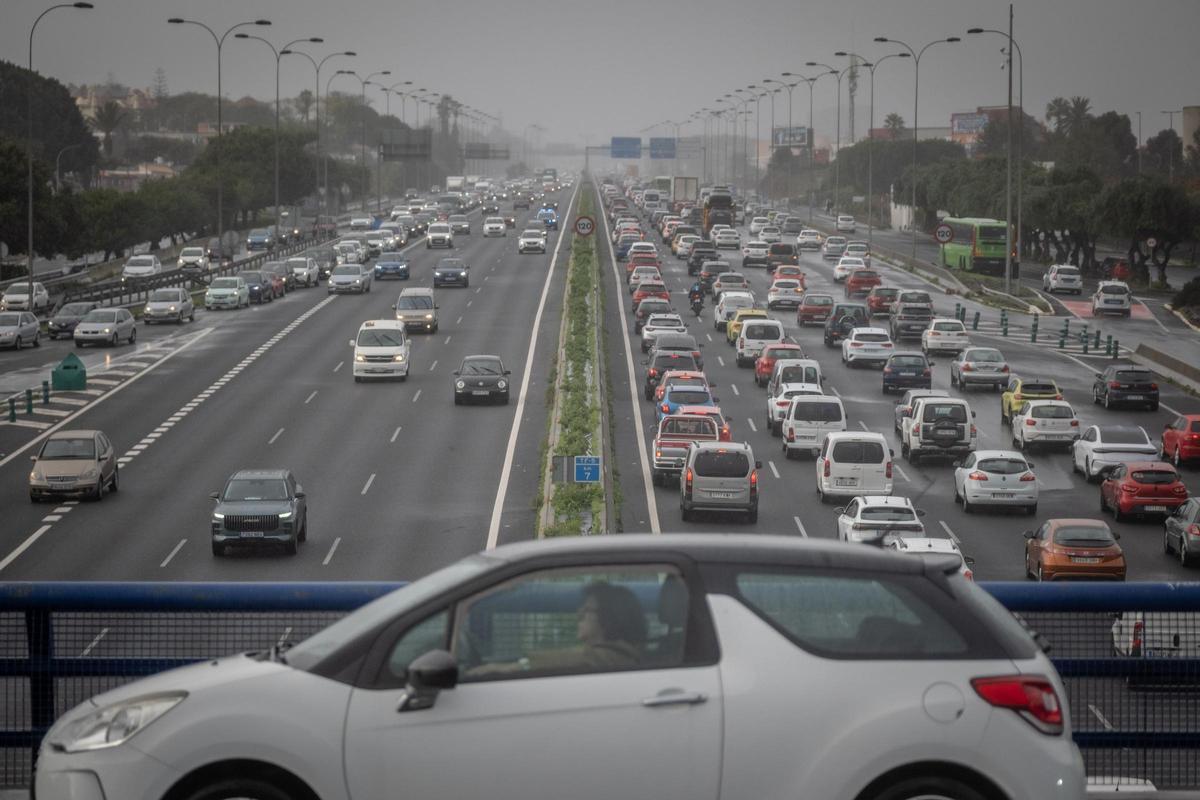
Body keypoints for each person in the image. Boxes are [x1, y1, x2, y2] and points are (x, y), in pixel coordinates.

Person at [466, 581, 647, 676]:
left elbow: (571, 659)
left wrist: (508, 668)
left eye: (586, 610)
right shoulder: (619, 654)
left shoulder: (607, 657)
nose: (579, 614)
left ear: (608, 617)